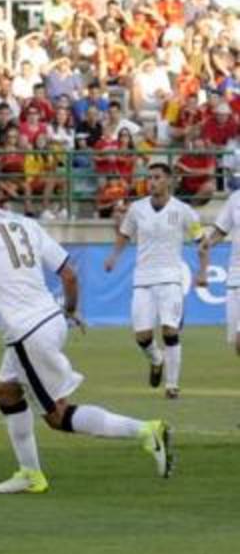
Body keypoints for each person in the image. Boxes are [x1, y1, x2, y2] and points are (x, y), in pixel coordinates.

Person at [0, 168, 173, 494]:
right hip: (49, 319)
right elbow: (69, 274)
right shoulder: (27, 224)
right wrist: (72, 311)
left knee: (56, 416)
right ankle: (29, 473)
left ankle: (146, 431)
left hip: (26, 331)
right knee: (5, 393)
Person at [102, 163, 202, 398]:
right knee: (143, 337)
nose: (152, 182)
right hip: (143, 279)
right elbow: (125, 234)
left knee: (170, 331)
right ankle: (156, 359)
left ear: (168, 180)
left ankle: (172, 385)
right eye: (149, 178)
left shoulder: (184, 210)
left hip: (170, 279)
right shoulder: (137, 209)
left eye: (157, 177)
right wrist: (113, 256)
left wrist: (203, 270)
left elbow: (200, 238)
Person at [195, 188, 240, 355]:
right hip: (235, 274)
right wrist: (208, 243)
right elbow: (221, 230)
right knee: (237, 344)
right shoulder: (235, 199)